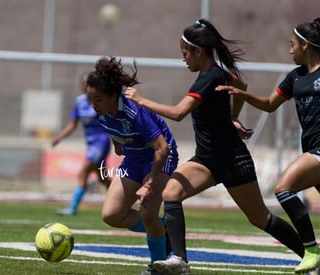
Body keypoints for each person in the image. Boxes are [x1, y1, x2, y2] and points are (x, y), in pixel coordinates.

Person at [125, 18, 305, 275]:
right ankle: (179, 261)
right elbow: (240, 86)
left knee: (260, 218)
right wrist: (232, 117)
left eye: (185, 54)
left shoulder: (210, 77)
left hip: (232, 160)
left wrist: (141, 100)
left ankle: (310, 255)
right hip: (207, 160)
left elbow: (178, 113)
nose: (184, 59)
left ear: (199, 51)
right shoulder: (217, 74)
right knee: (171, 193)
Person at [216, 18, 320, 274]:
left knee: (284, 188)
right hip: (310, 148)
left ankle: (311, 249)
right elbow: (270, 104)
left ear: (305, 45)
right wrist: (243, 96)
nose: (289, 49)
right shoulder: (295, 77)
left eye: (292, 44)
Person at [86, 56, 179, 275]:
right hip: (134, 160)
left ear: (112, 96)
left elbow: (162, 148)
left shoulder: (133, 110)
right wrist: (119, 146)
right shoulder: (101, 112)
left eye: (98, 99)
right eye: (90, 98)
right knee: (112, 215)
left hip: (161, 157)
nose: (93, 104)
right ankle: (162, 228)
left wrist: (149, 182)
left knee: (147, 212)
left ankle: (158, 267)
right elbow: (116, 136)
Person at [52, 72, 111, 216]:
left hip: (101, 142)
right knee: (101, 177)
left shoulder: (100, 101)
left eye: (88, 83)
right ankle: (122, 198)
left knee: (83, 173)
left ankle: (73, 207)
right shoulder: (79, 102)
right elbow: (73, 124)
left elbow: (110, 119)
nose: (85, 86)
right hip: (91, 144)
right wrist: (59, 138)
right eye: (84, 83)